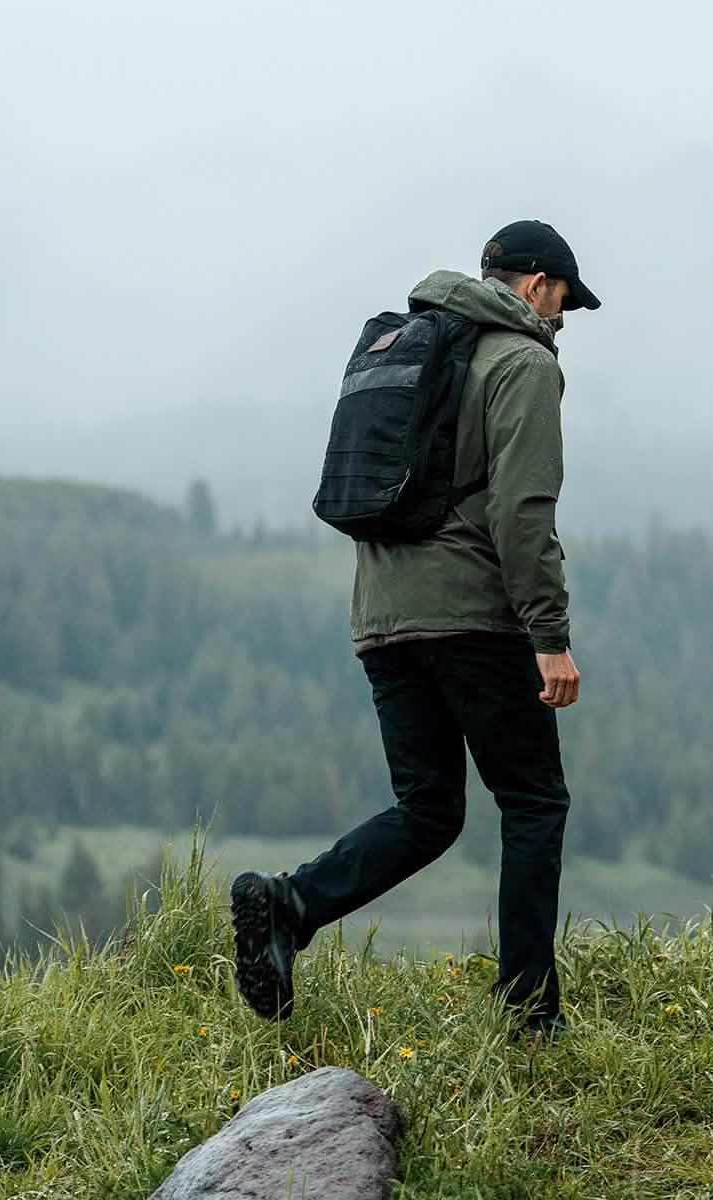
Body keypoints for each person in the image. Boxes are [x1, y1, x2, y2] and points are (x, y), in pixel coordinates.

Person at [231, 219, 601, 1037]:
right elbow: (522, 508)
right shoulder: (522, 363)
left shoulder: (416, 345)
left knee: (429, 807)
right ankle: (531, 1014)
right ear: (538, 286)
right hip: (473, 615)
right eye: (565, 304)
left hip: (382, 618)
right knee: (534, 800)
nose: (562, 321)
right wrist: (549, 634)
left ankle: (291, 904)